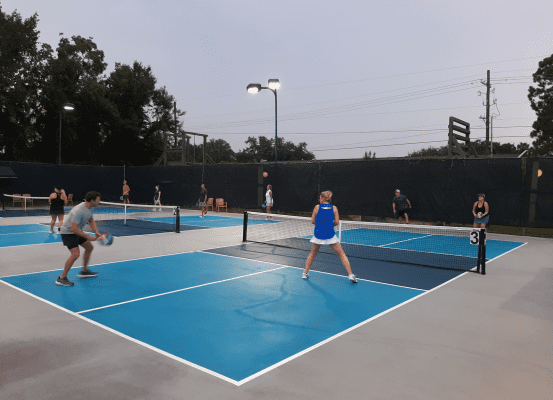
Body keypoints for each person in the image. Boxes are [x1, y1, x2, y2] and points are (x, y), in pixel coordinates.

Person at [303, 191, 357, 283]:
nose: (319, 199)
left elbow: (312, 221)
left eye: (320, 197)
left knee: (312, 254)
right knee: (342, 254)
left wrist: (320, 224)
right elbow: (337, 222)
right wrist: (329, 224)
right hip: (330, 235)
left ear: (322, 198)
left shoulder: (317, 207)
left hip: (318, 234)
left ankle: (305, 273)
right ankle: (351, 275)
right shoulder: (334, 208)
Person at [56, 191, 106, 287]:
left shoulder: (90, 208)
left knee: (89, 247)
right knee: (75, 254)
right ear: (92, 200)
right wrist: (88, 236)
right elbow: (73, 228)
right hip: (68, 232)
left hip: (77, 231)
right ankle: (62, 278)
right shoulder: (78, 210)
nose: (99, 201)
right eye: (98, 200)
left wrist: (96, 231)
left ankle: (84, 271)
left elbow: (91, 220)